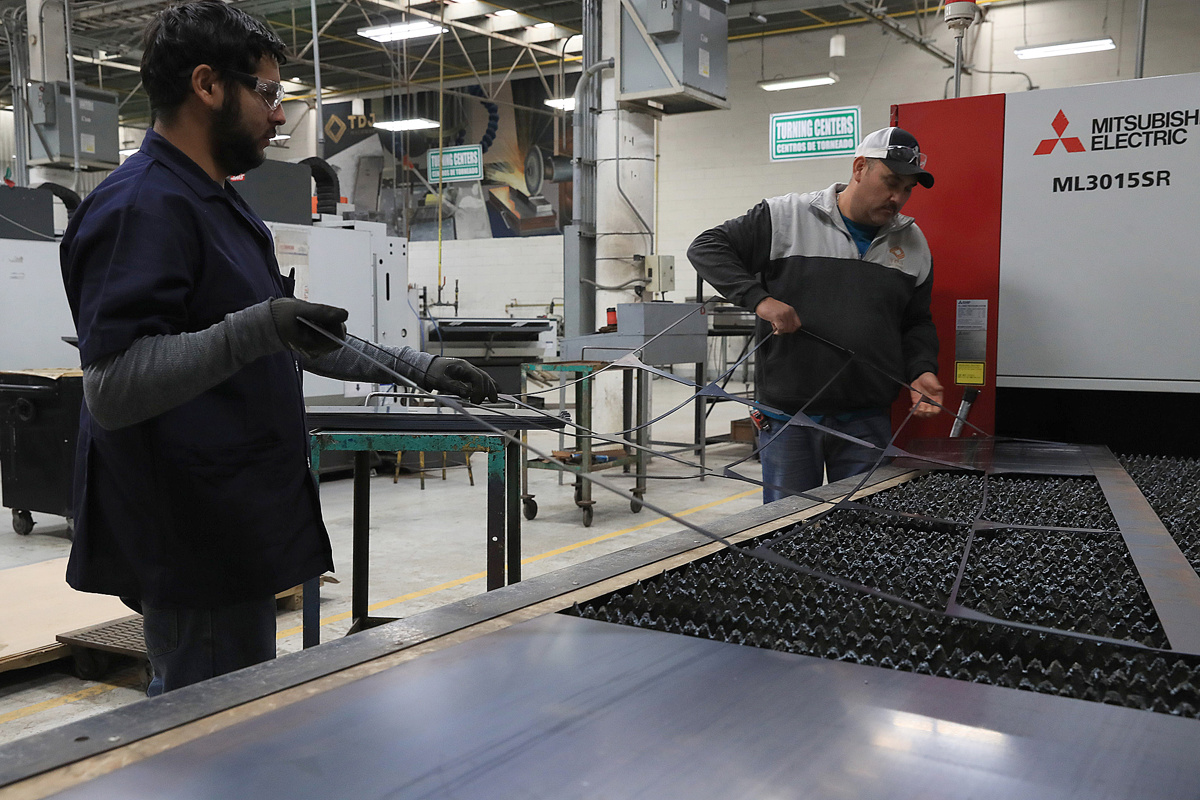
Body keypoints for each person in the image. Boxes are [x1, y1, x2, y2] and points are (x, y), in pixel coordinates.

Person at [60, 0, 496, 695]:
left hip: (236, 515)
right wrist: (258, 327)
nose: (277, 114)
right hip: (192, 529)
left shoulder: (219, 202)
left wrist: (420, 368)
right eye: (266, 93)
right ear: (207, 85)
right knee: (210, 727)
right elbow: (112, 388)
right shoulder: (140, 207)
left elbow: (293, 336)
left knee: (240, 714)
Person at [688, 127, 943, 503]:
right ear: (859, 168)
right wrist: (760, 300)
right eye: (891, 182)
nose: (897, 197)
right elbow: (707, 247)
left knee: (864, 528)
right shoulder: (787, 216)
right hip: (791, 416)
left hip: (866, 417)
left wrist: (922, 370)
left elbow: (916, 321)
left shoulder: (912, 241)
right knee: (786, 532)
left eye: (907, 189)